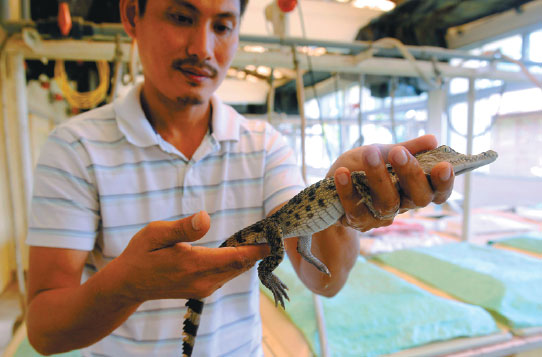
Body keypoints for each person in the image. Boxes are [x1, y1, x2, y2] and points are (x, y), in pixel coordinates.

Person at [25, 0, 455, 356]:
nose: (203, 48)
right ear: (131, 15)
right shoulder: (72, 147)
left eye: (224, 25)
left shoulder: (266, 144)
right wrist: (128, 285)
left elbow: (325, 279)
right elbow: (44, 332)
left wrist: (347, 205)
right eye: (181, 16)